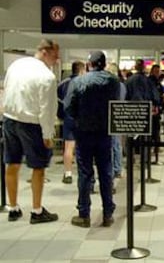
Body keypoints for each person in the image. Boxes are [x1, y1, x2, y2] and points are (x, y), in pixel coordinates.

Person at [3, 39, 60, 224]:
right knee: (38, 167)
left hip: (10, 119)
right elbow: (47, 109)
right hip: (33, 124)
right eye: (54, 54)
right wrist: (48, 134)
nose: (57, 59)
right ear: (44, 51)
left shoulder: (17, 64)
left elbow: (7, 89)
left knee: (12, 164)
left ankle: (13, 207)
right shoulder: (47, 76)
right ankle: (37, 211)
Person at [64, 51, 119, 228]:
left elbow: (69, 107)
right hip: (105, 132)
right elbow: (115, 103)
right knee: (106, 171)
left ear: (89, 64)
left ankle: (84, 214)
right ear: (104, 64)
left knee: (85, 173)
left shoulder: (79, 81)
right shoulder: (113, 81)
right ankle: (108, 213)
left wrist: (79, 118)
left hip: (84, 132)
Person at [57, 60, 86, 184]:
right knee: (83, 148)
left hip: (68, 118)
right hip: (82, 118)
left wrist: (61, 115)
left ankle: (68, 173)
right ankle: (83, 172)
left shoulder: (63, 83)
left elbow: (58, 100)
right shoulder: (85, 83)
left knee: (68, 147)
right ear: (81, 70)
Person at [106, 62, 126, 180]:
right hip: (119, 115)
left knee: (112, 144)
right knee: (117, 143)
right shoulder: (122, 86)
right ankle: (118, 168)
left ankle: (114, 169)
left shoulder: (109, 85)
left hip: (110, 116)